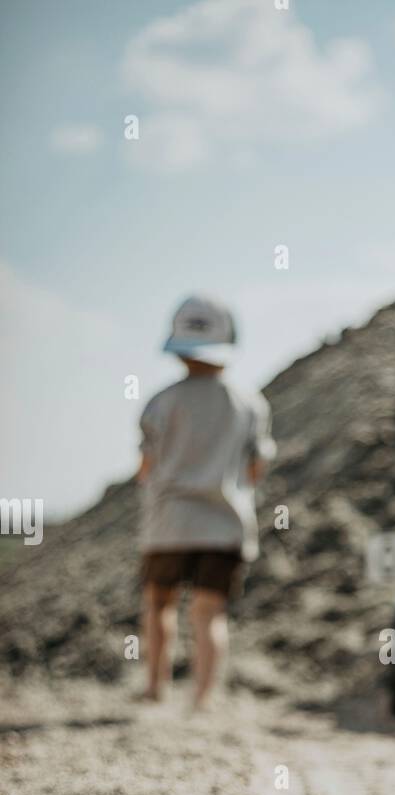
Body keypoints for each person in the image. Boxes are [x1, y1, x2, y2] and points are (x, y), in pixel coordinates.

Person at [136, 295, 275, 710]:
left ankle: (155, 689)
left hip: (169, 523)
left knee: (160, 604)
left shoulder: (161, 402)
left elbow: (145, 469)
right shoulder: (250, 403)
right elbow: (255, 470)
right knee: (209, 612)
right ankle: (203, 698)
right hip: (224, 522)